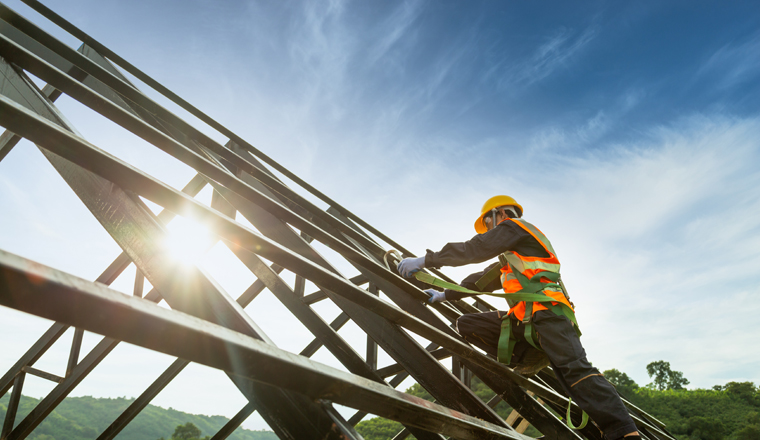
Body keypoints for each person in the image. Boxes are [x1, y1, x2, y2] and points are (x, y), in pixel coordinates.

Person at [397, 195, 640, 440]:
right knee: (468, 324)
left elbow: (475, 249)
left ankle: (624, 432)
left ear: (499, 214)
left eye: (489, 224)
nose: (490, 231)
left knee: (575, 372)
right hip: (527, 323)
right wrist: (442, 295)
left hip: (550, 314)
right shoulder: (512, 258)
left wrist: (427, 260)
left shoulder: (516, 227)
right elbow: (481, 281)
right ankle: (527, 359)